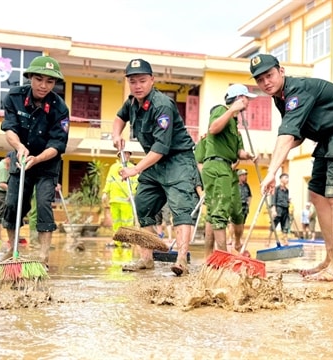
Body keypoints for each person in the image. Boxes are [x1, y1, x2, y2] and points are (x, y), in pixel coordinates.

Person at [251, 53, 333, 281]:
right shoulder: (280, 98)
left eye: (269, 75)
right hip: (328, 138)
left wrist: (271, 172)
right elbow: (296, 136)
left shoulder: (297, 91)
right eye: (260, 79)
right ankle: (329, 258)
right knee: (317, 193)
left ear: (281, 71)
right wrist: (278, 155)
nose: (266, 82)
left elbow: (287, 135)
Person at [113, 58, 200, 276]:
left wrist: (135, 169)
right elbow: (119, 118)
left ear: (152, 80)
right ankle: (146, 259)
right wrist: (116, 135)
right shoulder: (132, 102)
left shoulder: (162, 105)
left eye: (142, 80)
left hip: (176, 160)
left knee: (181, 208)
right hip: (153, 161)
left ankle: (181, 260)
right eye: (133, 82)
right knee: (143, 205)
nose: (138, 86)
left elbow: (161, 148)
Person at [0, 55, 69, 266]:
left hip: (46, 163)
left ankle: (43, 256)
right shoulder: (14, 97)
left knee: (44, 204)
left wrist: (37, 158)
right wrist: (20, 147)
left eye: (50, 81)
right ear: (30, 77)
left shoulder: (60, 108)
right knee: (12, 203)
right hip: (20, 158)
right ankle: (12, 249)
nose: (44, 85)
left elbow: (58, 145)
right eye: (39, 79)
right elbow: (9, 129)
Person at [201, 84, 256, 257]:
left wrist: (248, 155)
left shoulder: (234, 123)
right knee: (220, 210)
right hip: (217, 165)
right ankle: (223, 256)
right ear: (239, 97)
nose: (248, 102)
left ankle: (209, 257)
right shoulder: (220, 110)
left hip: (225, 165)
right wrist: (231, 109)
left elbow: (238, 151)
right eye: (246, 98)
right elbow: (213, 128)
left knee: (214, 211)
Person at [101, 148, 138, 247]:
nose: (126, 156)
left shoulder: (133, 168)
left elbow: (136, 183)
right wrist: (105, 192)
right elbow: (109, 180)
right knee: (116, 221)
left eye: (127, 154)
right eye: (124, 154)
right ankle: (116, 241)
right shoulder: (113, 167)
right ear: (119, 155)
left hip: (127, 200)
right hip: (114, 199)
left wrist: (132, 194)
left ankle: (126, 241)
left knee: (127, 221)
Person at [269, 173, 290, 245]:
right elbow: (273, 199)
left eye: (288, 178)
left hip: (285, 209)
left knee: (285, 225)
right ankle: (268, 240)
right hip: (278, 209)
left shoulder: (287, 190)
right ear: (281, 179)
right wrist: (273, 209)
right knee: (273, 225)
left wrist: (288, 201)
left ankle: (285, 241)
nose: (287, 179)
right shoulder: (276, 188)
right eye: (286, 178)